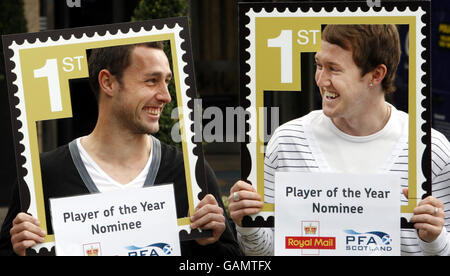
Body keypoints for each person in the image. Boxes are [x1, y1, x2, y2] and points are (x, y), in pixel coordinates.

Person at [0, 41, 242, 256]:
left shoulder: (189, 174)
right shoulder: (44, 175)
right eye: (151, 80)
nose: (166, 96)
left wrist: (211, 243)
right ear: (108, 82)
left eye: (167, 81)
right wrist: (19, 250)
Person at [228, 24, 450, 256]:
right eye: (318, 65)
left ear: (376, 75)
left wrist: (435, 239)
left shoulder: (432, 151)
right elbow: (264, 252)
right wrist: (247, 224)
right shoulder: (287, 142)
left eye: (334, 69)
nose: (321, 80)